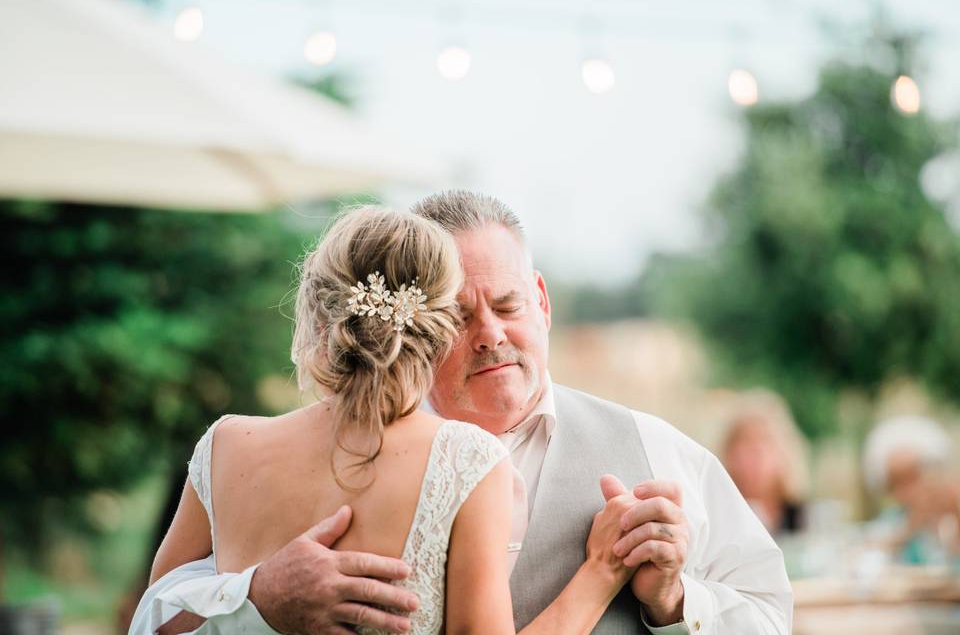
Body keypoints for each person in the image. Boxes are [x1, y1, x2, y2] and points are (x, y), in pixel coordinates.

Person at [131, 191, 793, 635]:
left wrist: (678, 603)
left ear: (542, 302)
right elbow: (159, 610)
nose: (489, 335)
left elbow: (772, 613)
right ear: (418, 322)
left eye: (506, 306)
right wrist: (257, 594)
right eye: (461, 315)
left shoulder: (652, 449)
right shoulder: (304, 451)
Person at [863, 415, 960, 560]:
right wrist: (910, 528)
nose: (909, 491)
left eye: (913, 477)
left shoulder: (950, 515)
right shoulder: (890, 522)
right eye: (898, 482)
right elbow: (871, 554)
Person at [719, 390, 810, 538]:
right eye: (745, 443)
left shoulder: (800, 514)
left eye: (764, 442)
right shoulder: (719, 512)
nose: (754, 456)